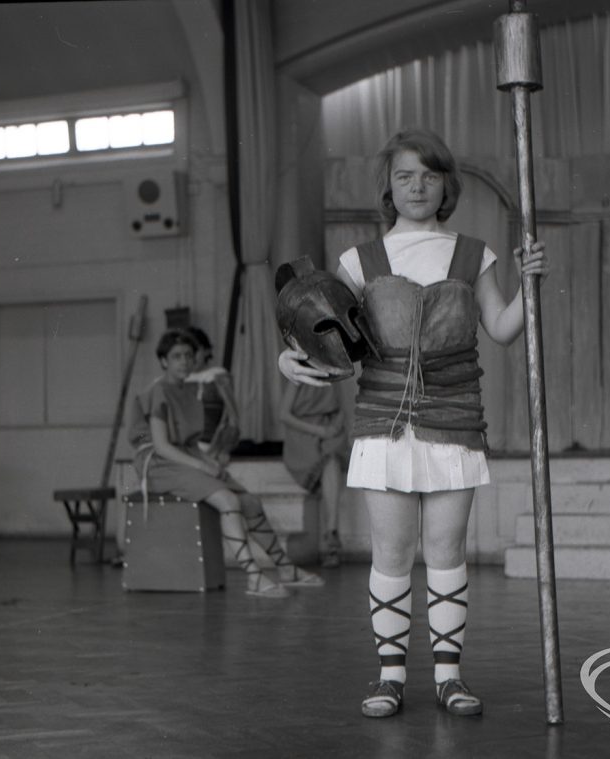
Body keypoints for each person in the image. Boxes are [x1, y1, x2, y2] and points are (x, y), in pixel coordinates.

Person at [278, 128, 549, 718]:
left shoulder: (475, 253)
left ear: (446, 185)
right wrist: (288, 354)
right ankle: (389, 678)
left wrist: (529, 286)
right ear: (389, 187)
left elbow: (502, 329)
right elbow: (319, 329)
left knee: (447, 550)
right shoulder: (357, 262)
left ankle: (450, 677)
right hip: (381, 421)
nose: (417, 186)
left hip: (454, 416)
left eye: (429, 176)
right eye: (405, 176)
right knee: (392, 552)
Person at [130, 329, 324, 598]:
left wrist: (209, 460)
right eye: (176, 357)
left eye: (188, 355)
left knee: (251, 502)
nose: (184, 361)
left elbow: (189, 441)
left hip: (186, 456)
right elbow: (162, 446)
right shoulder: (158, 391)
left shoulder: (188, 389)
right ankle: (254, 577)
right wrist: (203, 467)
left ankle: (286, 568)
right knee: (228, 501)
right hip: (158, 463)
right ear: (163, 361)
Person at [278, 380, 348, 568]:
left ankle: (331, 533)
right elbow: (284, 414)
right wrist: (319, 431)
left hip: (329, 429)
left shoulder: (333, 372)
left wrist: (333, 428)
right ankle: (331, 540)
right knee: (328, 461)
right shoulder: (300, 373)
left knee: (332, 459)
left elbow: (342, 408)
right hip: (304, 433)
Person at [183, 326, 240, 467]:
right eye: (187, 353)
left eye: (196, 351)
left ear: (206, 350)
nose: (192, 357)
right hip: (185, 447)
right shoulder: (181, 379)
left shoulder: (218, 375)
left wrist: (224, 448)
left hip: (212, 445)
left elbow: (231, 417)